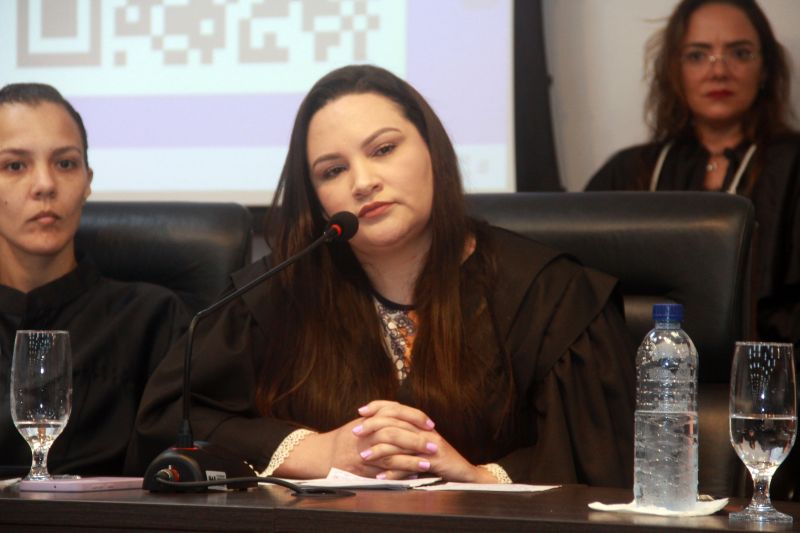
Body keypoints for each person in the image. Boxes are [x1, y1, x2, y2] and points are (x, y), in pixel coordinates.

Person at [129, 65, 635, 486]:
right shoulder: (275, 295)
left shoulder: (551, 296)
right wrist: (314, 451)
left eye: (383, 149)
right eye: (333, 170)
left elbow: (604, 462)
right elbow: (169, 423)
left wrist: (477, 478)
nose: (364, 182)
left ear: (433, 151)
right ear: (316, 199)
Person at [0, 83, 190, 477]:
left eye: (65, 164)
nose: (45, 185)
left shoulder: (152, 319)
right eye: (15, 166)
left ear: (88, 181)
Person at [586, 0, 800, 347]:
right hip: (645, 374)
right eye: (698, 55)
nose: (719, 71)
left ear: (764, 69)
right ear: (675, 71)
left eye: (740, 53)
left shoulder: (793, 164)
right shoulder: (629, 171)